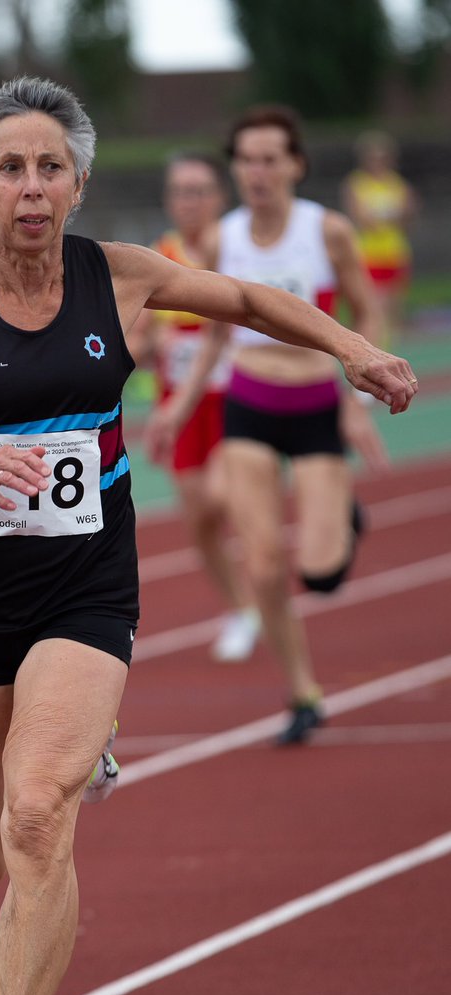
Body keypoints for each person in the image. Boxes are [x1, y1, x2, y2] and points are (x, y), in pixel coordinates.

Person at [0, 79, 416, 995]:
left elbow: (244, 300)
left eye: (50, 167)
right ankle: (74, 754)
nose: (31, 187)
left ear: (79, 183)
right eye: (9, 169)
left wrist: (349, 347)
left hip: (85, 586)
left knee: (36, 811)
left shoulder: (119, 276)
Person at [147, 104, 393, 747]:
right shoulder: (219, 241)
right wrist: (178, 406)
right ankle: (303, 692)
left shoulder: (327, 230)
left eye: (269, 159)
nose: (257, 171)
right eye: (246, 160)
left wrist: (355, 401)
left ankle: (341, 520)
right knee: (261, 565)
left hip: (315, 406)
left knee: (322, 574)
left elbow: (367, 311)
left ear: (295, 165)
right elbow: (214, 337)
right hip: (250, 405)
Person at [130, 152, 260, 662]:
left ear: (220, 197)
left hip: (234, 397)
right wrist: (139, 347)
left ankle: (263, 587)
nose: (190, 201)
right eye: (181, 192)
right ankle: (241, 609)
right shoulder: (159, 257)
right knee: (201, 518)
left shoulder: (234, 251)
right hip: (180, 405)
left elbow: (220, 335)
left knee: (226, 495)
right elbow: (140, 335)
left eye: (200, 191)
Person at [342, 130, 417, 345]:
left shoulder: (397, 183)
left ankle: (392, 348)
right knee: (375, 306)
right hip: (369, 254)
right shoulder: (357, 183)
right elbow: (363, 219)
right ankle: (375, 346)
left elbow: (406, 216)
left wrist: (389, 216)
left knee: (394, 307)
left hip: (394, 252)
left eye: (383, 157)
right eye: (374, 157)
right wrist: (389, 216)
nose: (378, 162)